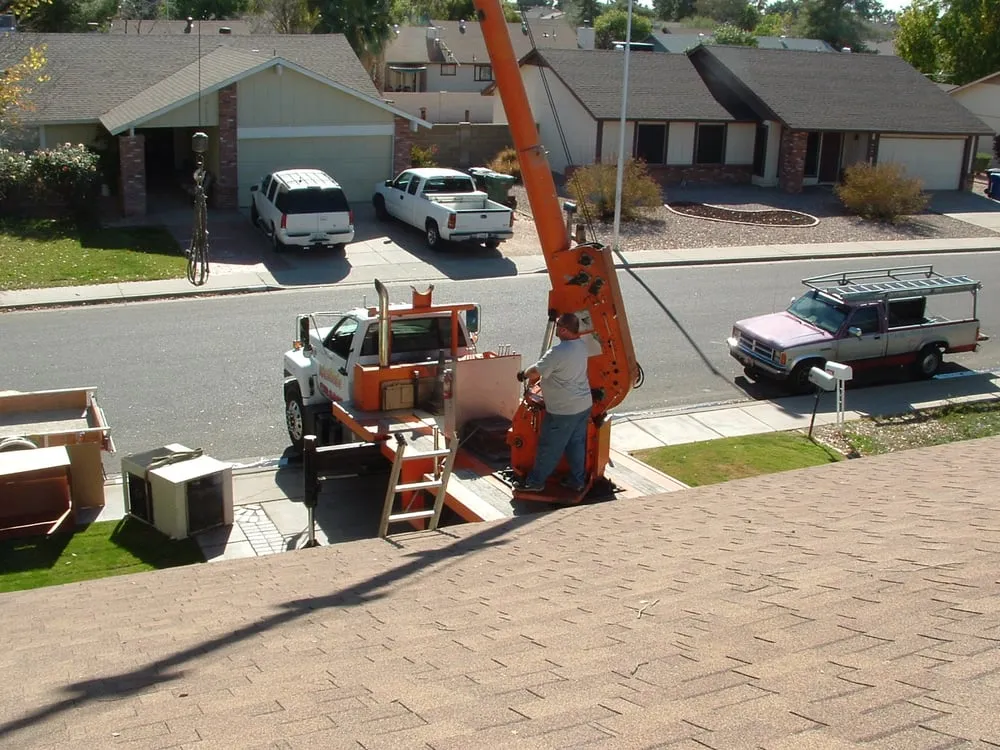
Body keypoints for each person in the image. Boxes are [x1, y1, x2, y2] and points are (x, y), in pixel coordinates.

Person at [515, 312, 593, 493]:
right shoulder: (581, 346)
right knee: (576, 444)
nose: (556, 328)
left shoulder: (558, 353)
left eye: (558, 326)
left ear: (564, 330)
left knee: (549, 447)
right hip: (583, 405)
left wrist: (523, 374)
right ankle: (577, 481)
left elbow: (536, 371)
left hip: (563, 410)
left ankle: (535, 483)